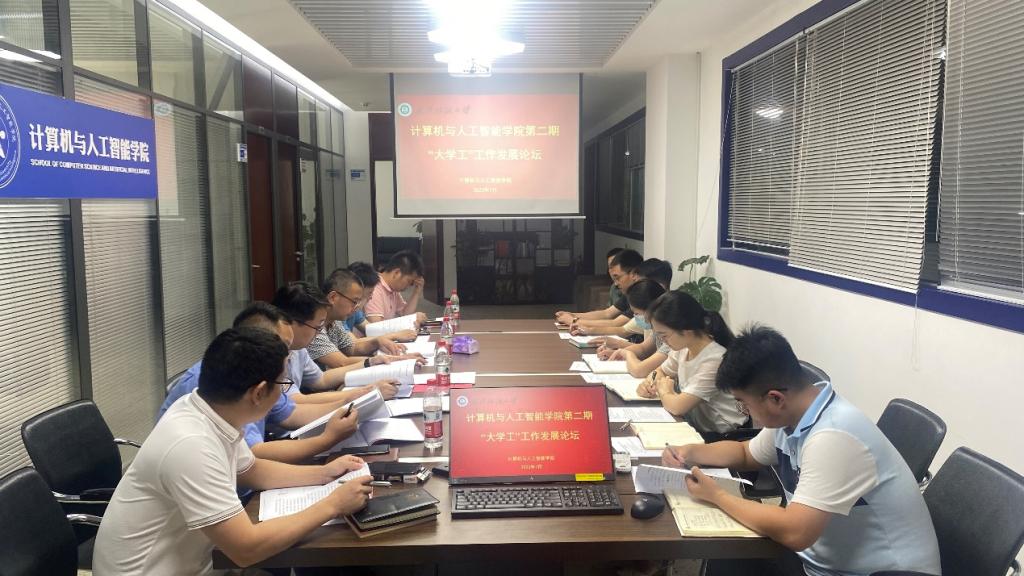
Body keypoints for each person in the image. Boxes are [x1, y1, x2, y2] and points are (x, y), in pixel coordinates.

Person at [662, 326, 941, 576]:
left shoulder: (834, 436)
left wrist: (717, 496)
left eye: (743, 404)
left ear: (775, 399)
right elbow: (746, 453)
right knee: (728, 559)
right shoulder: (794, 416)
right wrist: (689, 452)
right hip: (819, 562)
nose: (744, 412)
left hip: (875, 571)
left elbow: (796, 532)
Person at [94, 327, 374, 575]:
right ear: (258, 392)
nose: (284, 395)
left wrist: (324, 474)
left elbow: (251, 470)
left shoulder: (209, 410)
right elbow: (246, 549)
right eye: (283, 385)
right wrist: (332, 505)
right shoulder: (191, 444)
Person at [160, 302, 377, 465]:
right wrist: (328, 439)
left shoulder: (256, 370)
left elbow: (291, 414)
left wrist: (350, 403)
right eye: (282, 346)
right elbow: (255, 455)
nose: (288, 355)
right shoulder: (220, 381)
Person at [637, 291, 746, 436]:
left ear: (686, 331)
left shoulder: (714, 360)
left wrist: (664, 390)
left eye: (664, 335)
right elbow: (660, 372)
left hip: (722, 435)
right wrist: (648, 384)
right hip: (694, 425)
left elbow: (677, 407)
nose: (662, 341)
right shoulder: (683, 347)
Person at [271, 282, 400, 394]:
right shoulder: (271, 353)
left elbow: (321, 379)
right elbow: (294, 404)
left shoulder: (299, 348)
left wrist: (370, 362)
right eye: (317, 327)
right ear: (290, 322)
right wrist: (364, 392)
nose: (319, 332)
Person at [308, 268, 424, 369]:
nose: (356, 307)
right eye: (354, 301)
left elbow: (352, 348)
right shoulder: (314, 326)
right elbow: (342, 363)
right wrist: (398, 359)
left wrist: (377, 342)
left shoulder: (335, 321)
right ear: (333, 297)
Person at [555, 249, 643, 333]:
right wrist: (572, 315)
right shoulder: (630, 293)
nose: (615, 284)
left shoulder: (642, 295)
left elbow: (616, 324)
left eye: (618, 277)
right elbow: (607, 313)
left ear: (633, 274)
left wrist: (573, 321)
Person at [595, 280, 671, 379]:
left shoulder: (670, 337)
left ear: (651, 309)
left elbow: (639, 371)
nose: (635, 317)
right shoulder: (658, 330)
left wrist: (627, 354)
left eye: (637, 313)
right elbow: (643, 349)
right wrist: (617, 353)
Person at [346, 261, 418, 342]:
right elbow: (353, 343)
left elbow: (372, 330)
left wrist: (403, 331)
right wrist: (395, 336)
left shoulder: (355, 311)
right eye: (369, 293)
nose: (371, 297)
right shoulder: (339, 315)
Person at [364, 250, 428, 325]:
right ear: (396, 273)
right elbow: (376, 326)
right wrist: (411, 319)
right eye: (409, 281)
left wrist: (417, 292)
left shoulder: (392, 289)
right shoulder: (375, 287)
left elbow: (404, 314)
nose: (409, 286)